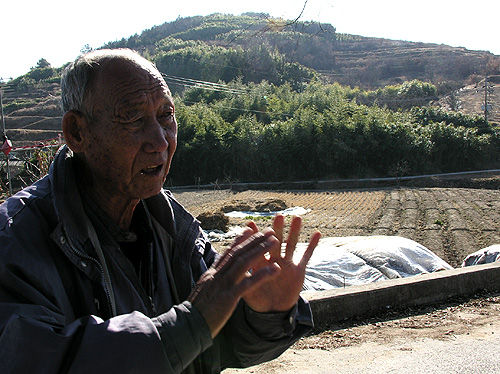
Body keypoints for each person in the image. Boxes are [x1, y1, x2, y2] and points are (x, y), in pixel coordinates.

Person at [0, 49, 321, 373]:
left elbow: (219, 346)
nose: (160, 141)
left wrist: (264, 315)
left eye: (166, 116)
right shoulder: (14, 243)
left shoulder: (177, 231)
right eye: (134, 118)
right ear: (77, 133)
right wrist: (190, 324)